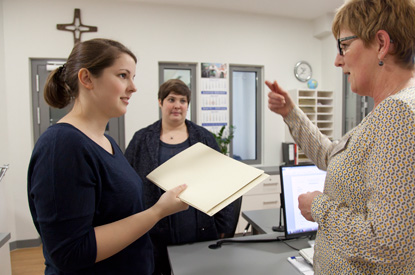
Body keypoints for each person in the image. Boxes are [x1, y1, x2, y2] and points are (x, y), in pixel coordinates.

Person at [267, 0, 415, 273]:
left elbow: (389, 247)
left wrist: (318, 208)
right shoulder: (384, 113)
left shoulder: (399, 112)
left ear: (381, 43)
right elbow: (330, 155)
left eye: (344, 46)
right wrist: (291, 112)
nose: (337, 60)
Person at [27, 39, 189, 275]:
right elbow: (70, 251)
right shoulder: (61, 145)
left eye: (132, 77)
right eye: (123, 75)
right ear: (86, 78)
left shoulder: (107, 142)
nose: (133, 87)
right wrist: (157, 212)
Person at [125, 78, 236, 275]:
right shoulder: (141, 139)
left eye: (183, 101)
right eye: (171, 99)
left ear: (187, 105)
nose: (177, 105)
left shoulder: (204, 138)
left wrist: (223, 227)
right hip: (154, 236)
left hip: (199, 232)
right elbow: (126, 184)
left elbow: (224, 182)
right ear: (160, 102)